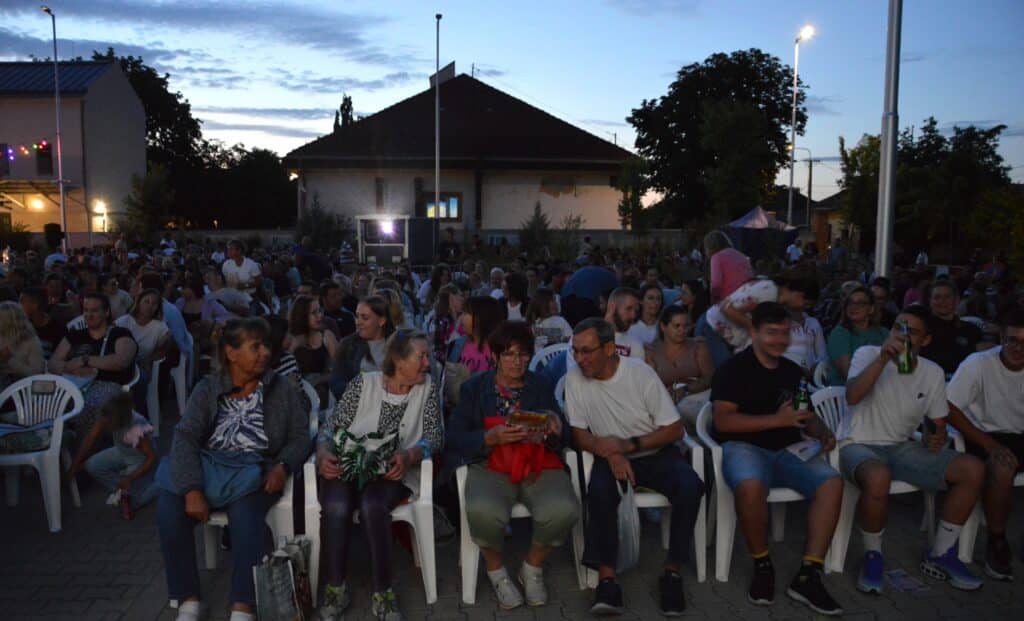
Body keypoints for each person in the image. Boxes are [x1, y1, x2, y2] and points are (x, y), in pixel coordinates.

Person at [157, 318, 310, 621]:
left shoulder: (281, 387)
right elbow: (185, 437)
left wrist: (282, 466)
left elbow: (301, 436)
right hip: (210, 466)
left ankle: (243, 604)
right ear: (231, 353)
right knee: (169, 510)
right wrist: (192, 489)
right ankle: (188, 599)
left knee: (245, 516)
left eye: (267, 346)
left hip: (255, 469)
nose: (265, 353)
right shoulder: (208, 388)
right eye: (256, 347)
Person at [841, 304, 986, 594]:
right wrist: (883, 359)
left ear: (925, 340)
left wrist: (935, 435)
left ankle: (941, 553)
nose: (901, 335)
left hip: (902, 447)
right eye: (898, 327)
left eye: (912, 332)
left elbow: (936, 423)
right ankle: (873, 554)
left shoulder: (931, 372)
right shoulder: (868, 354)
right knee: (878, 476)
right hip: (857, 443)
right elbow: (852, 396)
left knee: (973, 469)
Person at [711, 302, 843, 615]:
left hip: (789, 450)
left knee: (832, 483)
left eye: (785, 333)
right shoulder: (733, 369)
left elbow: (804, 415)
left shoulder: (791, 371)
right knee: (750, 486)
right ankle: (762, 564)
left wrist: (822, 431)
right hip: (743, 446)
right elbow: (723, 422)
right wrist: (777, 420)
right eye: (772, 333)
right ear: (754, 332)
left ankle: (809, 574)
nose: (780, 340)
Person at [566, 318, 704, 616]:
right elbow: (579, 434)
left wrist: (627, 446)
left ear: (609, 349)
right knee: (600, 493)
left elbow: (675, 429)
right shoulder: (575, 379)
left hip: (653, 451)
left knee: (690, 487)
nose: (579, 358)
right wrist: (612, 453)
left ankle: (672, 571)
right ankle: (607, 581)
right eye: (575, 350)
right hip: (609, 456)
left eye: (586, 351)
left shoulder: (639, 373)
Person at [445, 322, 577, 609]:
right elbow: (453, 437)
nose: (517, 361)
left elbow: (564, 434)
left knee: (563, 509)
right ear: (495, 356)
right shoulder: (474, 388)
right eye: (508, 354)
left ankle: (532, 567)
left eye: (523, 354)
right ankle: (497, 572)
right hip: (490, 463)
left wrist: (555, 427)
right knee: (483, 511)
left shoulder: (540, 385)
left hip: (536, 460)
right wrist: (488, 437)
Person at [316, 330, 442, 621]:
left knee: (372, 506)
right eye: (421, 356)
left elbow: (435, 438)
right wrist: (323, 454)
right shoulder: (364, 384)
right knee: (335, 506)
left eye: (428, 355)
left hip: (392, 472)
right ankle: (335, 588)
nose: (428, 363)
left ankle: (383, 591)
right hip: (348, 464)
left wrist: (410, 455)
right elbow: (330, 428)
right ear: (398, 360)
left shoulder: (426, 388)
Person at [944, 308, 1024, 581]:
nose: (1018, 348)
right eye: (1012, 340)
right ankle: (996, 539)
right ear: (1001, 338)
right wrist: (989, 444)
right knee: (1002, 467)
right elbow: (948, 406)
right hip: (982, 434)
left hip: (1019, 434)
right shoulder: (978, 363)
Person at [48, 293, 138, 431]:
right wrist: (72, 368)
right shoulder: (75, 335)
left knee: (91, 404)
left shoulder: (120, 334)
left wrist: (85, 360)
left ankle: (81, 442)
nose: (89, 315)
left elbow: (121, 361)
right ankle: (56, 440)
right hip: (74, 384)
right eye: (86, 310)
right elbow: (53, 364)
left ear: (106, 312)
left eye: (94, 311)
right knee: (44, 401)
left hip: (107, 386)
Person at [66, 392, 158, 517]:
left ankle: (158, 484)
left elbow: (151, 458)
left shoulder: (135, 428)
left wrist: (130, 478)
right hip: (123, 450)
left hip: (140, 458)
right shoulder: (108, 415)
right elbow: (90, 439)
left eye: (108, 424)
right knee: (92, 465)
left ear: (120, 422)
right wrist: (73, 467)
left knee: (136, 502)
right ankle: (124, 490)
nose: (104, 426)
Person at [700, 271, 819, 368]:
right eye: (806, 304)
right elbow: (727, 309)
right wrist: (752, 328)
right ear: (799, 294)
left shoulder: (776, 302)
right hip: (712, 327)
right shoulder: (768, 290)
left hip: (726, 337)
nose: (803, 309)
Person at [644, 305, 713, 430]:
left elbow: (710, 377)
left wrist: (686, 389)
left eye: (686, 326)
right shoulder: (651, 351)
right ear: (663, 327)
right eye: (677, 326)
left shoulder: (698, 346)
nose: (682, 330)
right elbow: (649, 383)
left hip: (697, 399)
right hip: (666, 403)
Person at [330, 295, 395, 397]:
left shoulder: (399, 345)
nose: (358, 322)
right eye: (357, 316)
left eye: (365, 318)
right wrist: (360, 390)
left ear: (381, 321)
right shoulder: (348, 345)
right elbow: (336, 382)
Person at [825, 287, 889, 386]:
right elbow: (848, 373)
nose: (853, 307)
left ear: (871, 309)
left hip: (880, 386)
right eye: (850, 302)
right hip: (844, 390)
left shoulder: (883, 333)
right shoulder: (839, 333)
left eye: (860, 303)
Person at [922, 280, 984, 377]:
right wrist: (973, 350)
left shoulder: (972, 329)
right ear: (930, 301)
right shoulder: (921, 328)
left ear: (957, 300)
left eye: (947, 297)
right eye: (937, 297)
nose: (942, 301)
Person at [289, 294, 339, 399]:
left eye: (320, 311)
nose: (319, 316)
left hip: (322, 389)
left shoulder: (326, 335)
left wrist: (318, 379)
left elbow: (339, 369)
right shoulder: (291, 339)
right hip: (297, 390)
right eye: (314, 313)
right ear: (302, 316)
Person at [450, 296, 505, 374]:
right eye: (462, 313)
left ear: (481, 318)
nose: (461, 318)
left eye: (466, 313)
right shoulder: (456, 345)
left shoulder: (502, 349)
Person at [0, 301, 45, 389]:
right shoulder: (2, 337)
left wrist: (9, 359)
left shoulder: (32, 342)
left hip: (22, 387)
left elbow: (36, 373)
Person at [704, 230, 753, 303]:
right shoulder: (741, 255)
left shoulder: (716, 257)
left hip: (730, 300)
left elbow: (716, 285)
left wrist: (713, 302)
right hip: (748, 297)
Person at [425, 283, 463, 365]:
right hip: (444, 366)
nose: (462, 299)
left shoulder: (458, 317)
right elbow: (437, 350)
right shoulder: (439, 320)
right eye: (459, 297)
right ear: (451, 299)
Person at [604, 287, 644, 359]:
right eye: (629, 309)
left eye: (636, 311)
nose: (633, 316)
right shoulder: (590, 337)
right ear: (612, 306)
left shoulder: (635, 345)